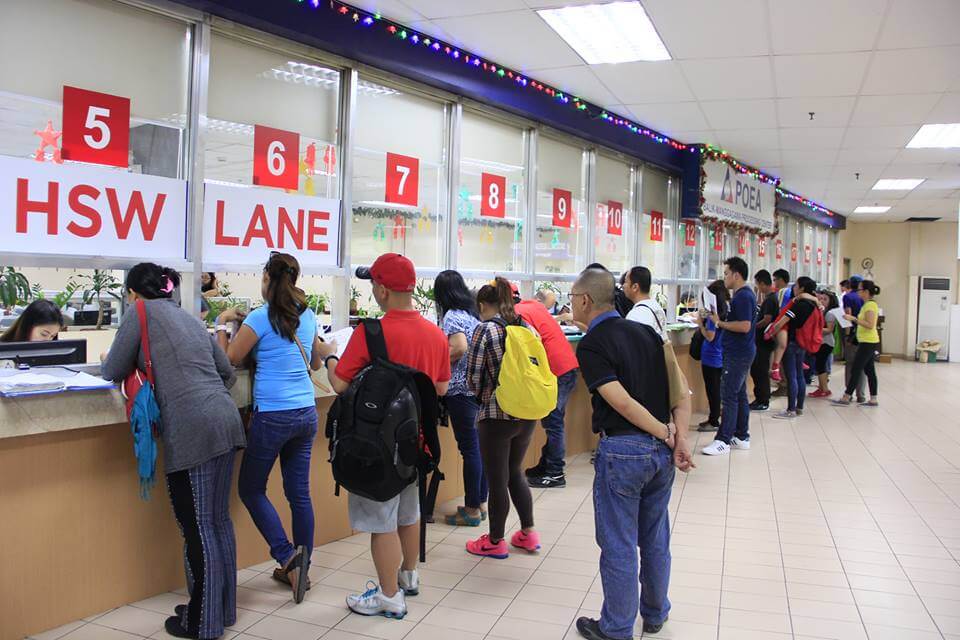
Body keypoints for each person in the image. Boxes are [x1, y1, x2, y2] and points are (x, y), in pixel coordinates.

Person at [101, 263, 245, 640]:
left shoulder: (140, 312)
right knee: (216, 522)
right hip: (226, 421)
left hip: (194, 429)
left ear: (132, 293)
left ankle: (203, 622)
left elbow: (111, 369)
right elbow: (227, 374)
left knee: (198, 528)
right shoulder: (187, 317)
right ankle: (220, 609)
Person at [569, 268, 694, 640]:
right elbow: (681, 393)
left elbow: (620, 402)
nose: (571, 301)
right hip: (660, 458)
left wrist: (663, 431)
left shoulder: (593, 344)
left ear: (586, 300)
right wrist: (678, 438)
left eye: (573, 295)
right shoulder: (648, 333)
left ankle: (616, 628)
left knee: (619, 542)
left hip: (625, 452)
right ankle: (655, 612)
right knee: (654, 537)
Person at [327, 253, 450, 619]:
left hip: (378, 450)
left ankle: (388, 595)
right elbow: (440, 389)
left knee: (381, 522)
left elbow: (338, 384)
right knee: (408, 514)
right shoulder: (436, 334)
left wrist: (329, 358)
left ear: (381, 289)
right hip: (417, 446)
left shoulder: (371, 333)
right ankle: (408, 576)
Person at [216, 253, 337, 604]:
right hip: (305, 413)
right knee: (299, 494)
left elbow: (229, 361)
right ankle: (303, 568)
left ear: (268, 278)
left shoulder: (259, 317)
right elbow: (315, 362)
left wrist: (224, 325)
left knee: (251, 490)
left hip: (273, 416)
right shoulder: (308, 315)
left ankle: (288, 557)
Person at [465, 277, 542, 557]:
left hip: (496, 415)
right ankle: (528, 533)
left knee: (497, 480)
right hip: (528, 413)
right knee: (514, 472)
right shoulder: (527, 327)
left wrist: (483, 393)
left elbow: (473, 378)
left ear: (484, 304)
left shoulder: (485, 330)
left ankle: (495, 541)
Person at [433, 270, 487, 526]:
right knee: (479, 448)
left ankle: (472, 509)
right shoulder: (471, 314)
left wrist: (435, 361)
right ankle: (482, 502)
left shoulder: (452, 316)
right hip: (476, 388)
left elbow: (459, 347)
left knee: (470, 449)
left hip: (459, 390)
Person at [515, 287, 580, 489]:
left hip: (557, 371)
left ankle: (555, 472)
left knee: (553, 422)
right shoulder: (534, 307)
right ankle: (546, 464)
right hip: (566, 368)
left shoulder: (517, 314)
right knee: (553, 419)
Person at [702, 257, 756, 457]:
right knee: (739, 394)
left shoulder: (743, 297)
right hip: (739, 351)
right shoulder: (743, 295)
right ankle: (741, 436)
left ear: (736, 274)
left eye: (726, 273)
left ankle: (723, 439)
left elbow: (744, 326)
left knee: (729, 396)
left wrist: (718, 323)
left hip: (738, 353)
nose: (724, 277)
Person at [768, 277, 819, 420]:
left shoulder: (799, 305)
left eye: (796, 285)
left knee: (791, 377)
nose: (793, 288)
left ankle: (790, 410)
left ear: (802, 288)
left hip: (791, 343)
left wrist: (771, 331)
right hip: (802, 343)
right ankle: (799, 407)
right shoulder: (813, 304)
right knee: (799, 376)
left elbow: (782, 321)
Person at [833, 280, 881, 407]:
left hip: (868, 342)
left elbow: (870, 325)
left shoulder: (870, 306)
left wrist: (853, 319)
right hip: (865, 341)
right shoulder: (867, 305)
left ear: (865, 291)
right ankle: (873, 399)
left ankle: (846, 396)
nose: (857, 292)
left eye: (859, 290)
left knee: (856, 368)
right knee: (869, 370)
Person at [695, 280, 728, 432]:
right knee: (716, 389)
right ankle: (713, 418)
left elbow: (710, 336)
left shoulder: (712, 317)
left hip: (711, 357)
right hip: (719, 356)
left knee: (712, 390)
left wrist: (700, 324)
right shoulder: (724, 312)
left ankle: (713, 421)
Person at [749, 270, 778, 411]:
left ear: (762, 283)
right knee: (758, 370)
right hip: (765, 342)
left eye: (757, 285)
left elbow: (766, 320)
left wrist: (751, 326)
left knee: (759, 371)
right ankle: (761, 398)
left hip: (763, 343)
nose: (757, 288)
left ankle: (762, 400)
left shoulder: (770, 300)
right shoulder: (771, 298)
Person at [621, 266, 667, 342]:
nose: (623, 286)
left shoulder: (636, 315)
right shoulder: (656, 307)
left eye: (625, 282)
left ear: (635, 287)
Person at [841, 276, 867, 403]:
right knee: (861, 365)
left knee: (850, 364)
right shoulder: (864, 298)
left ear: (850, 284)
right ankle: (861, 394)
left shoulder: (848, 297)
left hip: (853, 333)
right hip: (864, 334)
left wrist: (846, 335)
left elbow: (848, 315)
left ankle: (849, 393)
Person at [810, 290, 839, 398]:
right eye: (820, 299)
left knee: (821, 365)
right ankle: (821, 387)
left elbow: (829, 329)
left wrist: (815, 330)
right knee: (819, 365)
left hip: (826, 343)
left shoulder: (830, 313)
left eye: (825, 299)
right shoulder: (822, 311)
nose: (822, 301)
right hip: (822, 342)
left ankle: (824, 389)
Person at [769, 269, 792, 383]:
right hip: (786, 322)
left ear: (781, 280)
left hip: (782, 322)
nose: (774, 283)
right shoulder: (789, 292)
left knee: (781, 346)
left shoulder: (783, 292)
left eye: (775, 280)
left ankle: (775, 368)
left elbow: (780, 309)